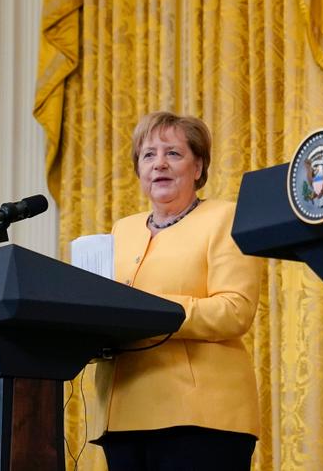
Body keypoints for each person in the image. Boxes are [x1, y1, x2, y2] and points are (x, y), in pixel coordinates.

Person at [90, 112, 262, 470]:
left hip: (201, 418)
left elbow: (235, 310)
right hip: (121, 416)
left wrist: (147, 310)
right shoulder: (121, 230)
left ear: (198, 167)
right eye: (148, 155)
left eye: (174, 153)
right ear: (138, 169)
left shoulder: (225, 218)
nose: (159, 164)